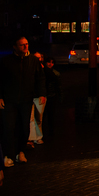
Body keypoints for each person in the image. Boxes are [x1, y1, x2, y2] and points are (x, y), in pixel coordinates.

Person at [0, 37, 46, 167]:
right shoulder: (6, 61)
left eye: (26, 44)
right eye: (22, 45)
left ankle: (19, 152)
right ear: (15, 46)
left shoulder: (33, 61)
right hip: (10, 99)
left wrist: (42, 93)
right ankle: (8, 154)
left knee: (24, 127)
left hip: (26, 99)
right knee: (9, 127)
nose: (25, 47)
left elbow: (40, 77)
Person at [28, 52, 46, 145]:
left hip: (39, 95)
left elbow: (43, 81)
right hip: (31, 95)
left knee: (38, 118)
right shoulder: (30, 67)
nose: (38, 60)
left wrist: (42, 94)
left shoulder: (43, 68)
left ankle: (37, 136)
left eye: (40, 57)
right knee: (31, 118)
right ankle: (32, 137)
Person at [42, 57, 61, 137]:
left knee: (50, 115)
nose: (50, 64)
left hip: (51, 96)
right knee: (44, 115)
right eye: (49, 62)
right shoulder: (44, 72)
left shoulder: (55, 73)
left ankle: (50, 132)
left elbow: (58, 86)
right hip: (46, 96)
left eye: (52, 63)